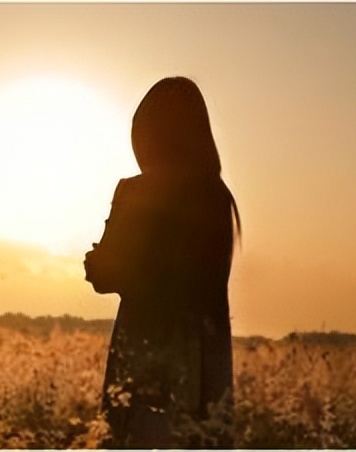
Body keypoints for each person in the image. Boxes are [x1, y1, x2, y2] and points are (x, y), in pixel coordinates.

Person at [84, 76, 240, 448]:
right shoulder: (218, 196)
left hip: (143, 348)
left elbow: (108, 274)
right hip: (203, 360)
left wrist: (96, 262)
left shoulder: (136, 190)